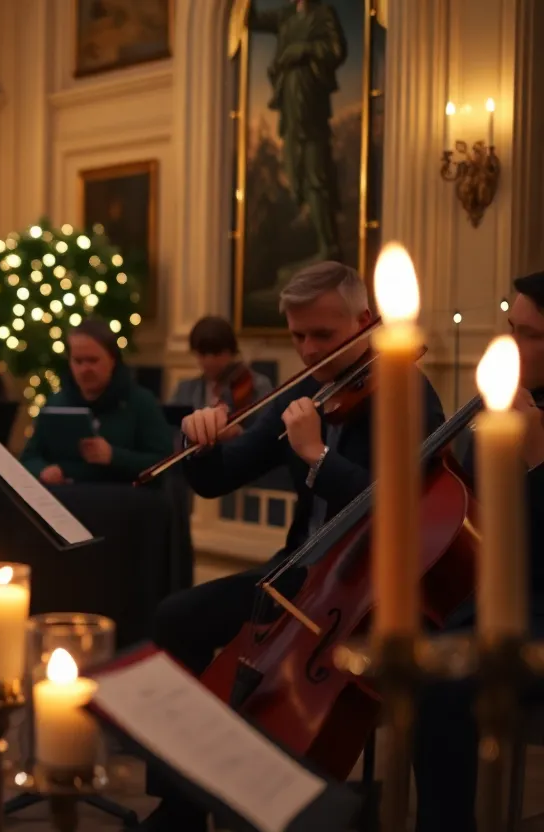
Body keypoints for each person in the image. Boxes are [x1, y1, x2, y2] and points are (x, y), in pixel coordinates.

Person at [144, 261, 446, 832]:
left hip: (365, 596)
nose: (307, 351)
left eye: (323, 335)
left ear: (365, 320)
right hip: (297, 579)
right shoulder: (310, 390)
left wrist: (320, 461)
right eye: (297, 336)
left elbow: (406, 512)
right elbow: (222, 476)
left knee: (268, 694)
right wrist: (199, 439)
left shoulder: (408, 393)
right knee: (175, 617)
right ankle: (177, 806)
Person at [413, 271, 544, 832]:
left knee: (443, 682)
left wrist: (538, 461)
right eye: (510, 327)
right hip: (501, 600)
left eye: (531, 334)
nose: (512, 346)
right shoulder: (515, 407)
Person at [248, 0, 347, 261]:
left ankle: (328, 246)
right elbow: (253, 20)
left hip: (311, 102)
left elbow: (337, 50)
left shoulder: (323, 14)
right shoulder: (285, 16)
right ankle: (316, 239)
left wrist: (304, 49)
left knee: (316, 173)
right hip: (290, 105)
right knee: (294, 171)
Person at [21, 318, 172, 485]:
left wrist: (114, 456)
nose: (85, 369)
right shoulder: (56, 403)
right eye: (78, 361)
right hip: (65, 500)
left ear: (112, 360)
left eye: (93, 360)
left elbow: (165, 464)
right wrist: (43, 470)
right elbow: (29, 458)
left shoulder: (141, 402)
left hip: (124, 501)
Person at [171, 315, 274, 411]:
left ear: (231, 352)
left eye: (216, 353)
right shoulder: (185, 390)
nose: (209, 361)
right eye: (203, 353)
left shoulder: (258, 386)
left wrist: (240, 429)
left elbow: (268, 428)